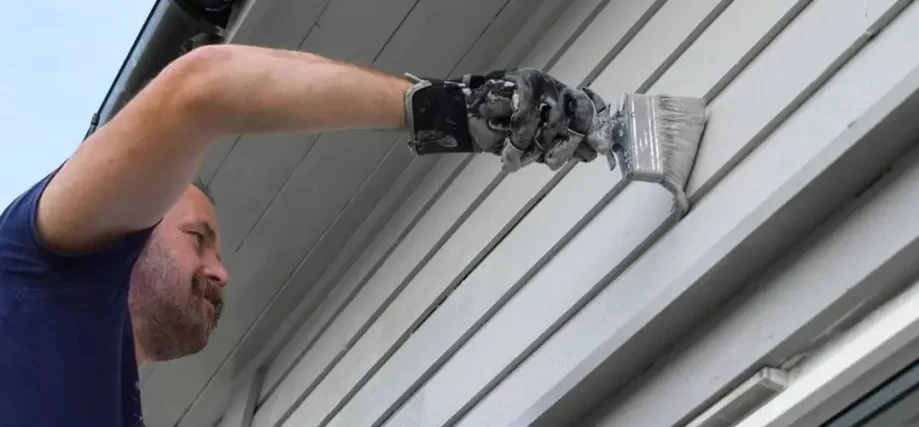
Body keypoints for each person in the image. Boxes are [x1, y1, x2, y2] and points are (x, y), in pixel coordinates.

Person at [0, 43, 608, 426]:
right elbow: (201, 87)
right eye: (197, 237)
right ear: (128, 233)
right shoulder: (35, 273)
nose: (220, 270)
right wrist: (458, 110)